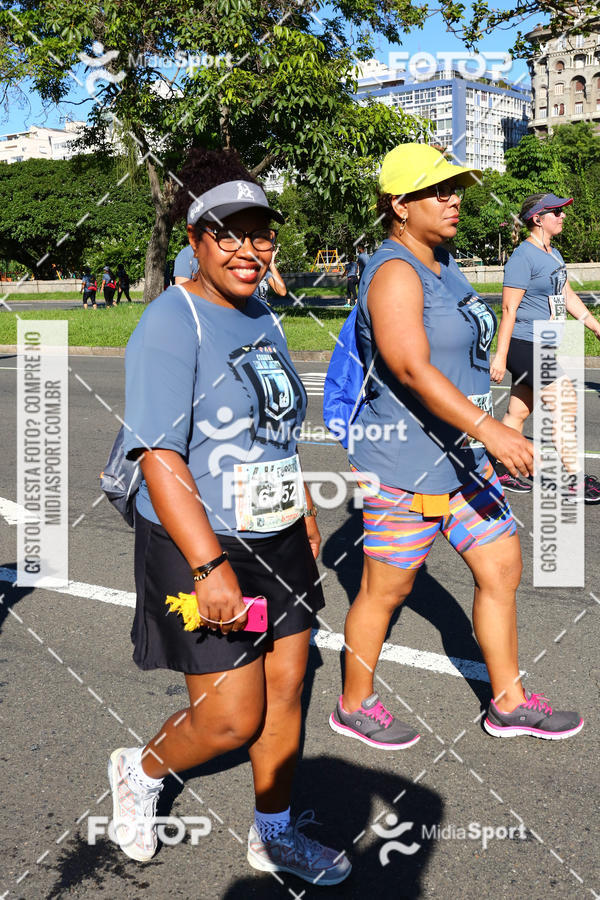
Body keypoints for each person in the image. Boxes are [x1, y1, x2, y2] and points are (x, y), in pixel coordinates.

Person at [108, 147, 351, 887]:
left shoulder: (260, 313)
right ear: (196, 240)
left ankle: (272, 833)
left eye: (261, 234)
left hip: (278, 535)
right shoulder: (169, 321)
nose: (249, 249)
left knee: (290, 688)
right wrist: (210, 566)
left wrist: (305, 505)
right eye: (229, 234)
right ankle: (141, 769)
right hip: (202, 543)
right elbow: (159, 456)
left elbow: (272, 428)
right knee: (229, 718)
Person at [329, 144, 583, 750]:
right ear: (399, 204)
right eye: (437, 190)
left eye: (457, 188)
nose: (454, 198)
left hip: (463, 458)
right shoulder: (393, 271)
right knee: (385, 591)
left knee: (501, 566)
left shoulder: (445, 263)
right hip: (407, 467)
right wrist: (493, 429)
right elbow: (412, 369)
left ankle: (510, 703)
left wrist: (485, 408)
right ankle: (352, 703)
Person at [490, 193, 600, 502]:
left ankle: (501, 469)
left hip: (543, 343)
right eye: (556, 212)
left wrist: (594, 325)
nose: (563, 216)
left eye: (563, 211)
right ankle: (575, 480)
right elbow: (509, 309)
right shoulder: (522, 257)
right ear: (538, 219)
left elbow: (565, 295)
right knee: (564, 401)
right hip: (525, 343)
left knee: (517, 412)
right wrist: (500, 357)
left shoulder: (554, 254)